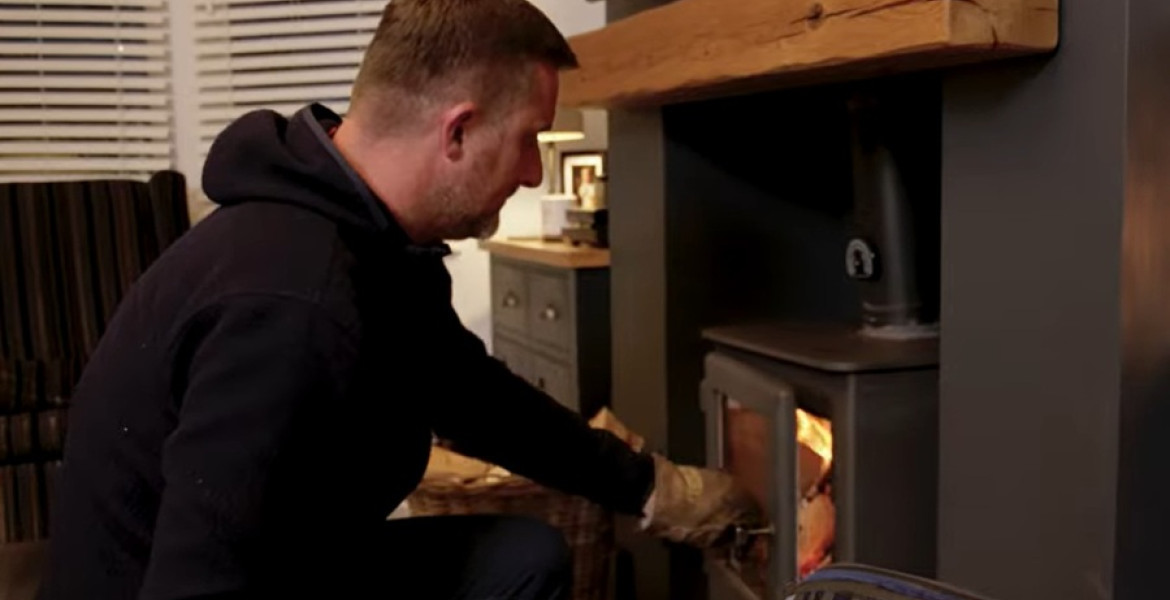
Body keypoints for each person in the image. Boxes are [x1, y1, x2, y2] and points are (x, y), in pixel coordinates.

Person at [38, 1, 761, 599]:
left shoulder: (367, 245)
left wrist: (658, 490)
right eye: (530, 140)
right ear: (458, 130)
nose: (538, 173)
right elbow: (197, 585)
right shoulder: (294, 305)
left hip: (289, 563)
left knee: (522, 556)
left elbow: (479, 400)